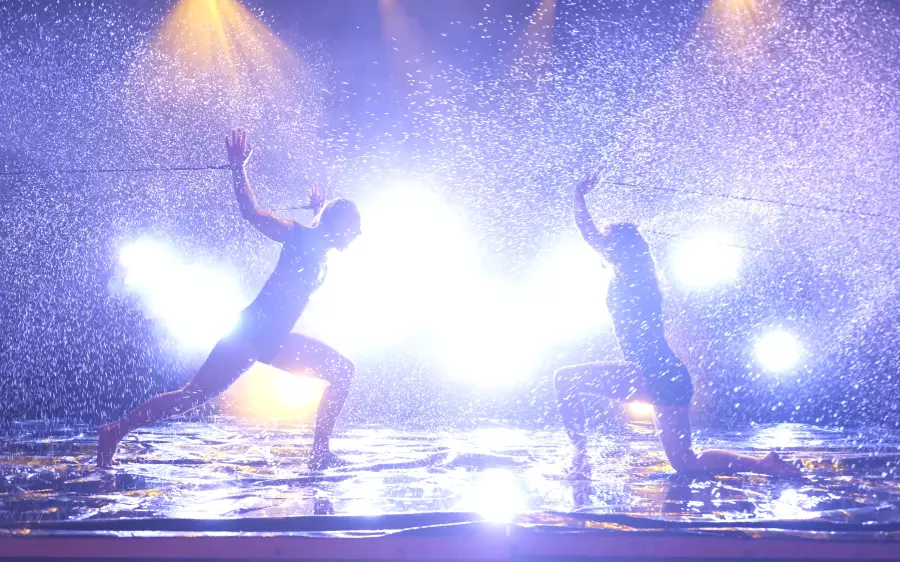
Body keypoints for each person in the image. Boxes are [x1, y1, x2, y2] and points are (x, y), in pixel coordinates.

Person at [98, 129, 362, 470]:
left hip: (270, 337)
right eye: (354, 227)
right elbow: (251, 213)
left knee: (341, 371)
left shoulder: (318, 243)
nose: (358, 234)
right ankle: (115, 430)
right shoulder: (300, 238)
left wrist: (317, 208)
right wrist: (238, 167)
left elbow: (318, 228)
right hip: (254, 333)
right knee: (191, 396)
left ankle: (320, 454)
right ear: (338, 227)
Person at [554, 171, 800, 479]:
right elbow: (594, 238)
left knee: (565, 379)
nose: (603, 245)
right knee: (685, 462)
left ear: (621, 249)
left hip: (652, 372)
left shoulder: (635, 279)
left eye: (609, 241)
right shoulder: (638, 277)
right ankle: (764, 464)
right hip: (668, 375)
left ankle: (580, 457)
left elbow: (589, 234)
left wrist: (578, 195)